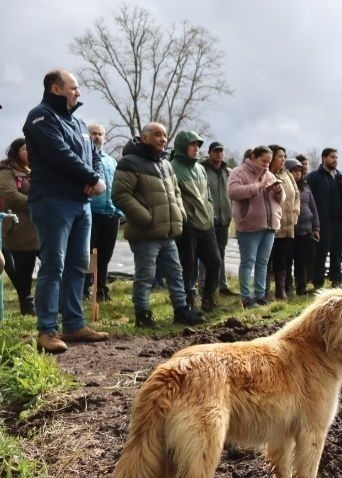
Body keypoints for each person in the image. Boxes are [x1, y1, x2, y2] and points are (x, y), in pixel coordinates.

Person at [22, 69, 109, 353]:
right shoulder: (41, 117)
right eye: (74, 87)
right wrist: (90, 178)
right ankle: (47, 330)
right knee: (53, 265)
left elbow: (95, 155)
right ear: (56, 88)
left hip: (80, 204)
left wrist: (94, 176)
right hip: (52, 201)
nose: (79, 92)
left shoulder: (80, 123)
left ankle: (74, 325)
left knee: (77, 265)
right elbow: (59, 154)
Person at [111, 123, 205, 328]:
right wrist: (145, 217)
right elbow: (120, 195)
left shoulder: (165, 163)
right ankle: (142, 314)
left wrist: (179, 212)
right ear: (145, 138)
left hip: (168, 233)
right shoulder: (129, 162)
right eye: (157, 135)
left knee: (175, 273)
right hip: (145, 234)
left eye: (164, 135)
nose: (163, 139)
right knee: (145, 276)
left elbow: (176, 192)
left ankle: (181, 310)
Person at [171, 130, 221, 312]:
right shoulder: (172, 167)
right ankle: (187, 301)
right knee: (188, 266)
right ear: (182, 146)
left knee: (215, 262)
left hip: (206, 224)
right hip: (188, 225)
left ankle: (208, 298)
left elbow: (207, 195)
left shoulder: (200, 168)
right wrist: (184, 218)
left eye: (198, 145)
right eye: (192, 145)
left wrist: (210, 212)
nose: (196, 149)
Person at [228, 146, 284, 308]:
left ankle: (260, 296)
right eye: (263, 161)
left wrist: (278, 190)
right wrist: (258, 187)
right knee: (248, 261)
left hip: (270, 226)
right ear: (253, 157)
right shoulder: (239, 172)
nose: (267, 165)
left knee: (263, 262)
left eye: (269, 161)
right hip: (249, 226)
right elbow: (233, 192)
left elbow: (281, 199)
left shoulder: (269, 174)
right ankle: (246, 298)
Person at [83, 123, 122, 302]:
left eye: (100, 134)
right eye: (93, 133)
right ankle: (85, 289)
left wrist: (119, 210)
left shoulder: (111, 161)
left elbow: (118, 186)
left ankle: (101, 289)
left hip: (111, 214)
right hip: (92, 212)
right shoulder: (84, 158)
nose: (97, 137)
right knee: (89, 254)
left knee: (105, 255)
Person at [0, 138, 38, 314]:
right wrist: (38, 203)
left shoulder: (36, 169)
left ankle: (52, 300)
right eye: (25, 149)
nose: (29, 151)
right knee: (23, 268)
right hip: (19, 227)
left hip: (40, 225)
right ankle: (27, 304)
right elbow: (11, 196)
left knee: (53, 263)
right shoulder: (6, 171)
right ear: (16, 151)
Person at [307, 148, 342, 289]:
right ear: (324, 158)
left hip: (339, 223)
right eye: (332, 157)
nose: (335, 160)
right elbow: (309, 200)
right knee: (321, 253)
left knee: (337, 253)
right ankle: (318, 282)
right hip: (323, 222)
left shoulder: (341, 177)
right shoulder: (314, 177)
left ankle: (336, 280)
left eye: (336, 157)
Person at [200, 141, 235, 295]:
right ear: (209, 153)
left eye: (221, 151)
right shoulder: (202, 170)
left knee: (221, 253)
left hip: (224, 219)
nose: (219, 153)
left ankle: (222, 285)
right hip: (208, 219)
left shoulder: (228, 172)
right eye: (216, 151)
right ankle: (203, 285)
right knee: (206, 254)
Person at [268, 145, 298, 300]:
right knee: (268, 258)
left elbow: (296, 194)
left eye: (284, 156)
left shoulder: (287, 174)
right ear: (271, 157)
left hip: (288, 225)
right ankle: (264, 292)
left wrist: (296, 213)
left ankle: (281, 291)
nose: (283, 159)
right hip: (271, 224)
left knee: (283, 258)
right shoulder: (266, 174)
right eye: (280, 156)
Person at [288, 158, 319, 295]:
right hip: (291, 229)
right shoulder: (286, 186)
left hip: (307, 228)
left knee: (306, 259)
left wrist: (316, 227)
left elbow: (313, 207)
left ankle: (303, 286)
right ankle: (289, 287)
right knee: (291, 260)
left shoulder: (306, 187)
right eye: (294, 171)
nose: (297, 174)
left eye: (299, 171)